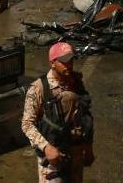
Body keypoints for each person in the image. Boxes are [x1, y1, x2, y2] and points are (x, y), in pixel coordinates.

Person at [21, 42, 95, 183]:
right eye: (64, 61)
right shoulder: (38, 88)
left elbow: (85, 117)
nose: (69, 64)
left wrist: (89, 147)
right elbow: (27, 124)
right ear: (53, 63)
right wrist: (47, 147)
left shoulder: (76, 82)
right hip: (54, 157)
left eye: (71, 60)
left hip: (76, 152)